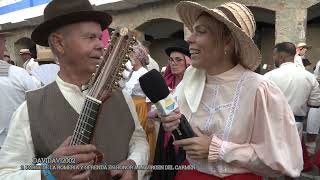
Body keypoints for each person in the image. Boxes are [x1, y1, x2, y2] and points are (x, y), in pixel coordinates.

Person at [0, 0, 149, 180]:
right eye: (90, 37)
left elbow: (138, 140)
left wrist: (133, 164)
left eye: (99, 37)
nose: (100, 45)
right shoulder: (30, 110)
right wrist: (47, 173)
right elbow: (6, 173)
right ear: (59, 43)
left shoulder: (121, 97)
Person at [161, 1, 303, 179]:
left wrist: (218, 149)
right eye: (193, 31)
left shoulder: (258, 89)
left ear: (227, 41)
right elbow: (174, 111)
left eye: (201, 31)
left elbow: (282, 161)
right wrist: (171, 122)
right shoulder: (191, 78)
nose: (189, 39)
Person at [151, 39, 191, 180]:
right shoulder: (167, 83)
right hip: (166, 132)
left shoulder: (194, 84)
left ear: (188, 61)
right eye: (171, 60)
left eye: (178, 59)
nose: (173, 63)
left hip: (185, 132)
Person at [0, 35, 37, 147]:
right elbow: (36, 105)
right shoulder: (18, 74)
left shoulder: (22, 71)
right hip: (16, 142)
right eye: (4, 42)